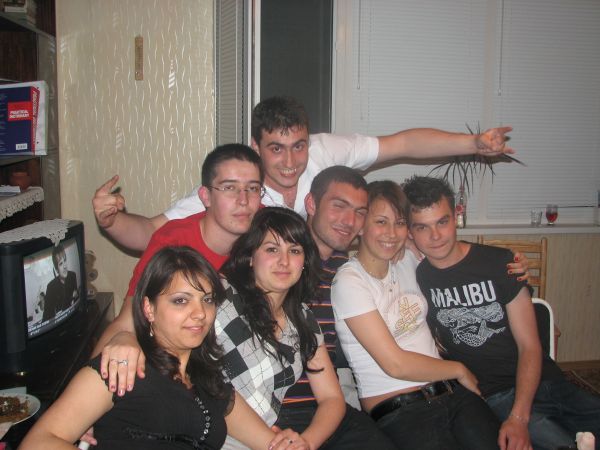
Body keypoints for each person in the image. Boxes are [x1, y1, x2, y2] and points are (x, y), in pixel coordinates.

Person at [92, 95, 515, 252]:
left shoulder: (326, 150)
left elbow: (401, 144)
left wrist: (473, 144)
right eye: (276, 149)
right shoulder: (239, 189)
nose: (291, 162)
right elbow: (151, 233)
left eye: (298, 145)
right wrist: (112, 221)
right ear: (256, 147)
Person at [20, 246, 306, 450]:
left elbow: (272, 443)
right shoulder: (122, 367)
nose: (199, 313)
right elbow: (37, 442)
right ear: (149, 308)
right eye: (181, 301)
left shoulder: (211, 383)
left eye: (207, 300)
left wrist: (291, 443)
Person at [404, 175, 600, 450]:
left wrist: (519, 416)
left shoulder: (500, 263)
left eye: (442, 222)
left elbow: (529, 345)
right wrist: (516, 419)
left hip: (545, 380)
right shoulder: (416, 276)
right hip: (494, 395)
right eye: (422, 227)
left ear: (456, 216)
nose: (435, 236)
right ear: (410, 232)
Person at [330, 180, 500, 449]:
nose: (391, 233)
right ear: (361, 225)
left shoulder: (408, 260)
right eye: (381, 222)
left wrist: (507, 263)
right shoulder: (349, 282)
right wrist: (458, 370)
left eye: (399, 223)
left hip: (451, 394)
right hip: (400, 410)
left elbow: (450, 253)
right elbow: (395, 364)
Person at [92, 142, 264, 395]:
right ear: (205, 196)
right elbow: (127, 323)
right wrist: (88, 394)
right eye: (229, 188)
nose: (244, 200)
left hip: (243, 373)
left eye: (253, 188)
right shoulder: (174, 242)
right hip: (182, 375)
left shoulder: (267, 236)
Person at [217, 207, 346, 449]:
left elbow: (332, 398)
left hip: (267, 441)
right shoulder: (220, 297)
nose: (284, 261)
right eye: (272, 249)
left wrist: (306, 442)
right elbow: (211, 386)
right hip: (215, 436)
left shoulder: (303, 319)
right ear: (250, 256)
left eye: (294, 250)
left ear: (305, 262)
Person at [43, 243, 79, 321]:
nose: (65, 266)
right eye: (61, 264)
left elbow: (76, 299)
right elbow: (46, 316)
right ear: (57, 269)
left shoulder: (72, 275)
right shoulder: (51, 287)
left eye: (65, 260)